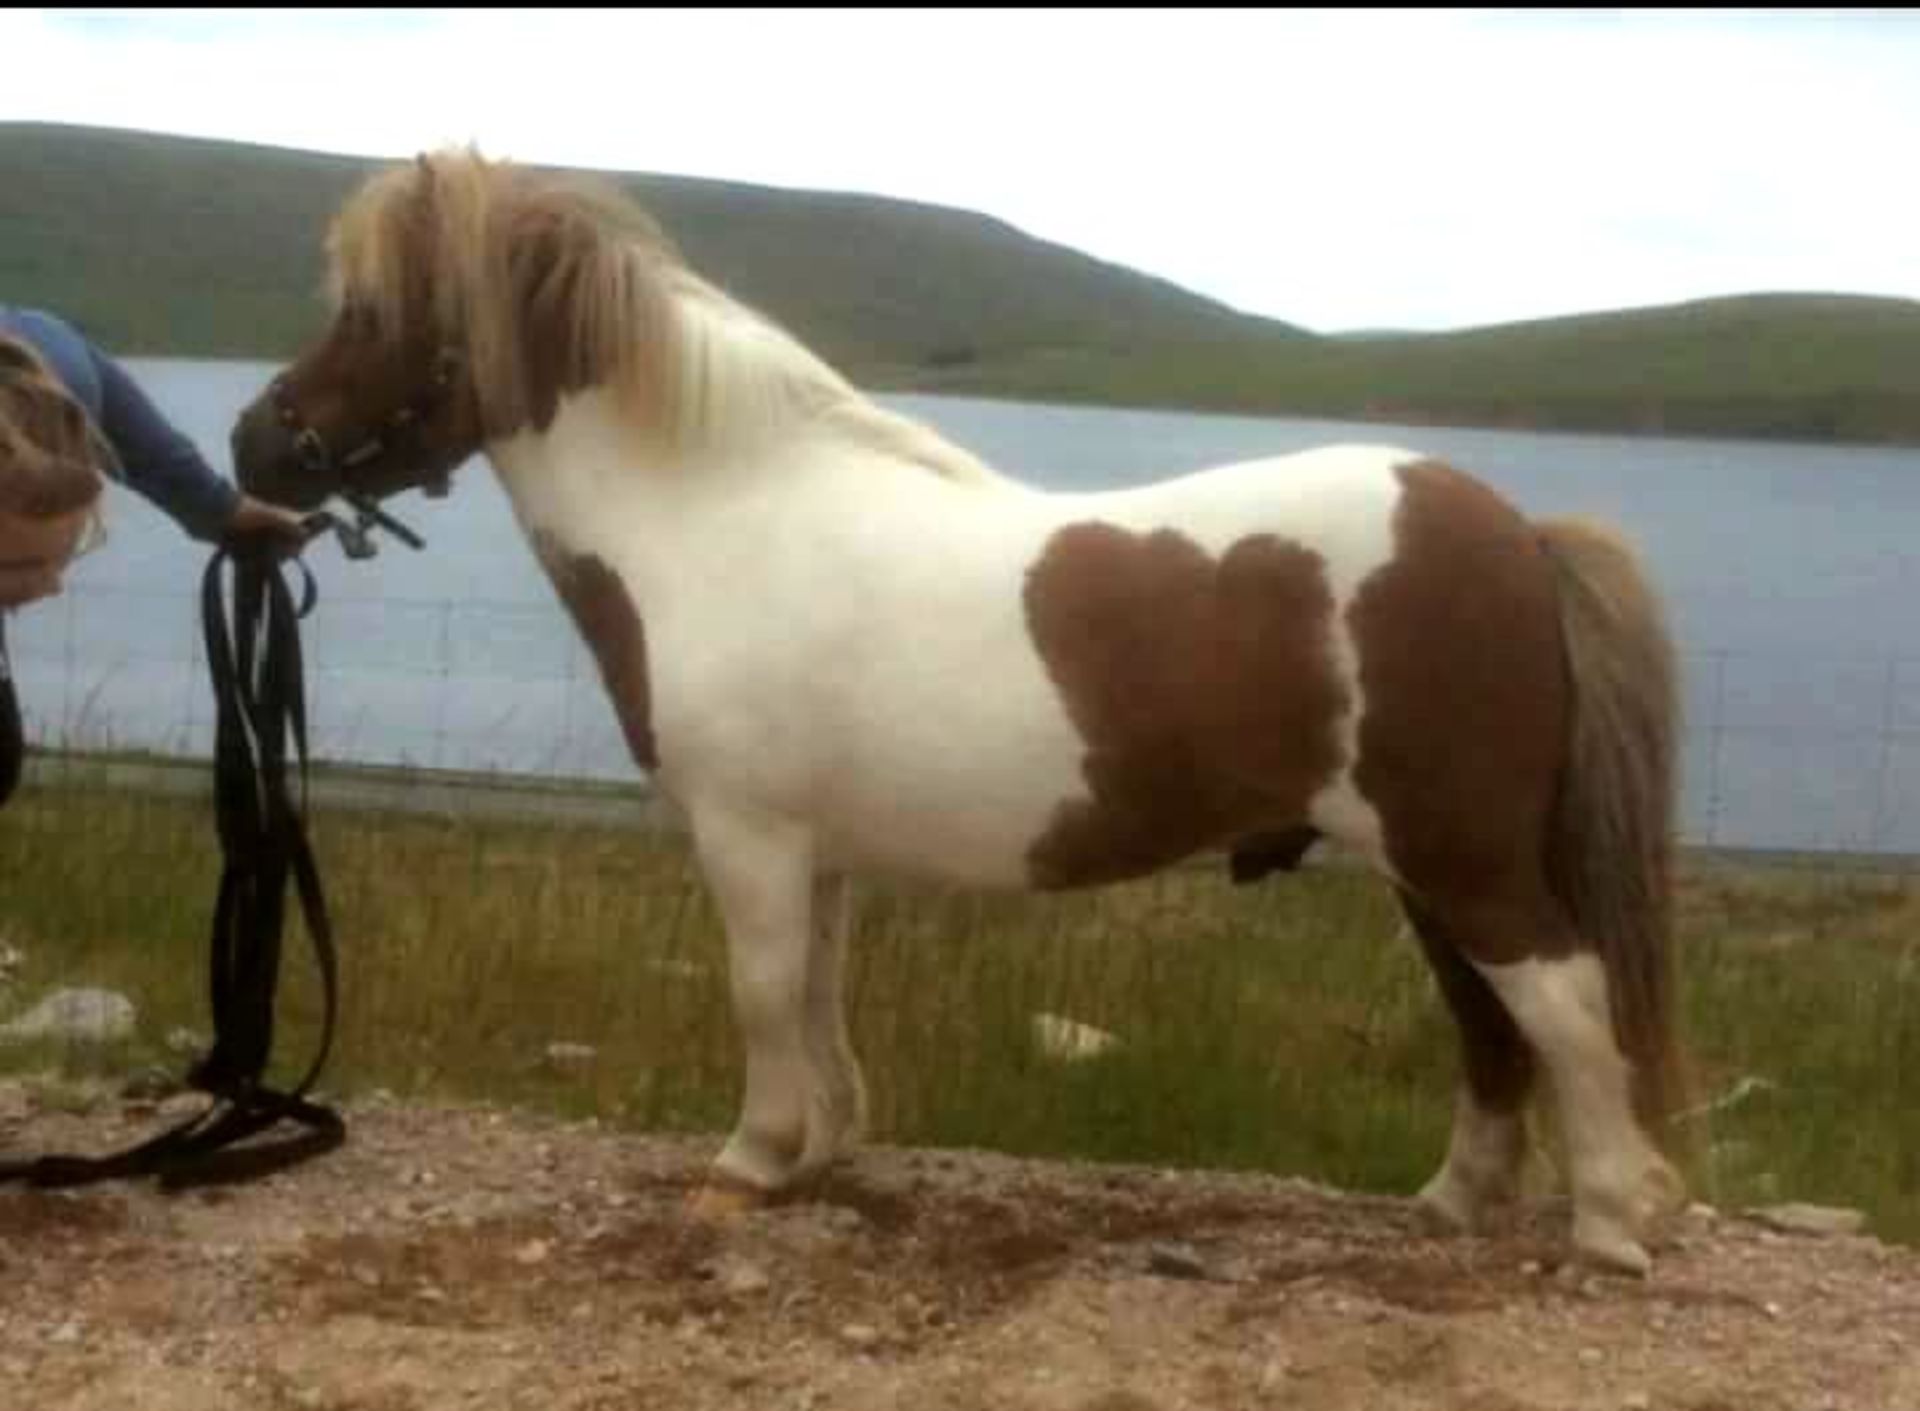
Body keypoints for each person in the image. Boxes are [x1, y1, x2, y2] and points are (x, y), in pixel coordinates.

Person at [0, 305, 309, 803]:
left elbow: (148, 448)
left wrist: (225, 511)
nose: (52, 586)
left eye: (54, 562)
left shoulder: (59, 362)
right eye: (14, 570)